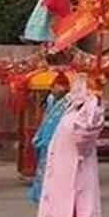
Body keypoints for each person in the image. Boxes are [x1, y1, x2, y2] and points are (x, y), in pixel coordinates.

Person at [30, 74, 106, 217]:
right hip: (62, 178)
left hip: (72, 179)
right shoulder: (68, 113)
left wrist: (97, 100)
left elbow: (89, 126)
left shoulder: (79, 117)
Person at [27, 71, 71, 203]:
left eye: (57, 87)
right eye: (53, 87)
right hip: (47, 140)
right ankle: (42, 193)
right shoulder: (52, 101)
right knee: (44, 168)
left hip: (59, 141)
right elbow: (46, 120)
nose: (54, 90)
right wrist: (39, 135)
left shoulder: (67, 103)